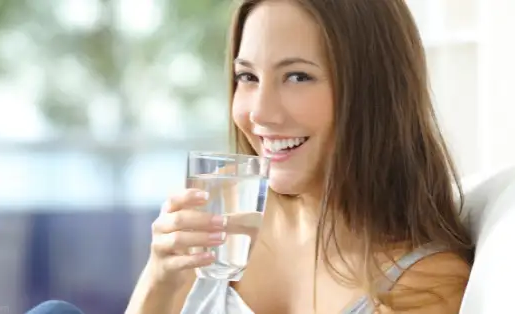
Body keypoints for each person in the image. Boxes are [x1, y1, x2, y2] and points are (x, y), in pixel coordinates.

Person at [126, 0, 473, 313]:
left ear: (373, 93)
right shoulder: (221, 215)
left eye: (297, 77)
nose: (260, 113)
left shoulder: (424, 283)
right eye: (247, 76)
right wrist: (159, 278)